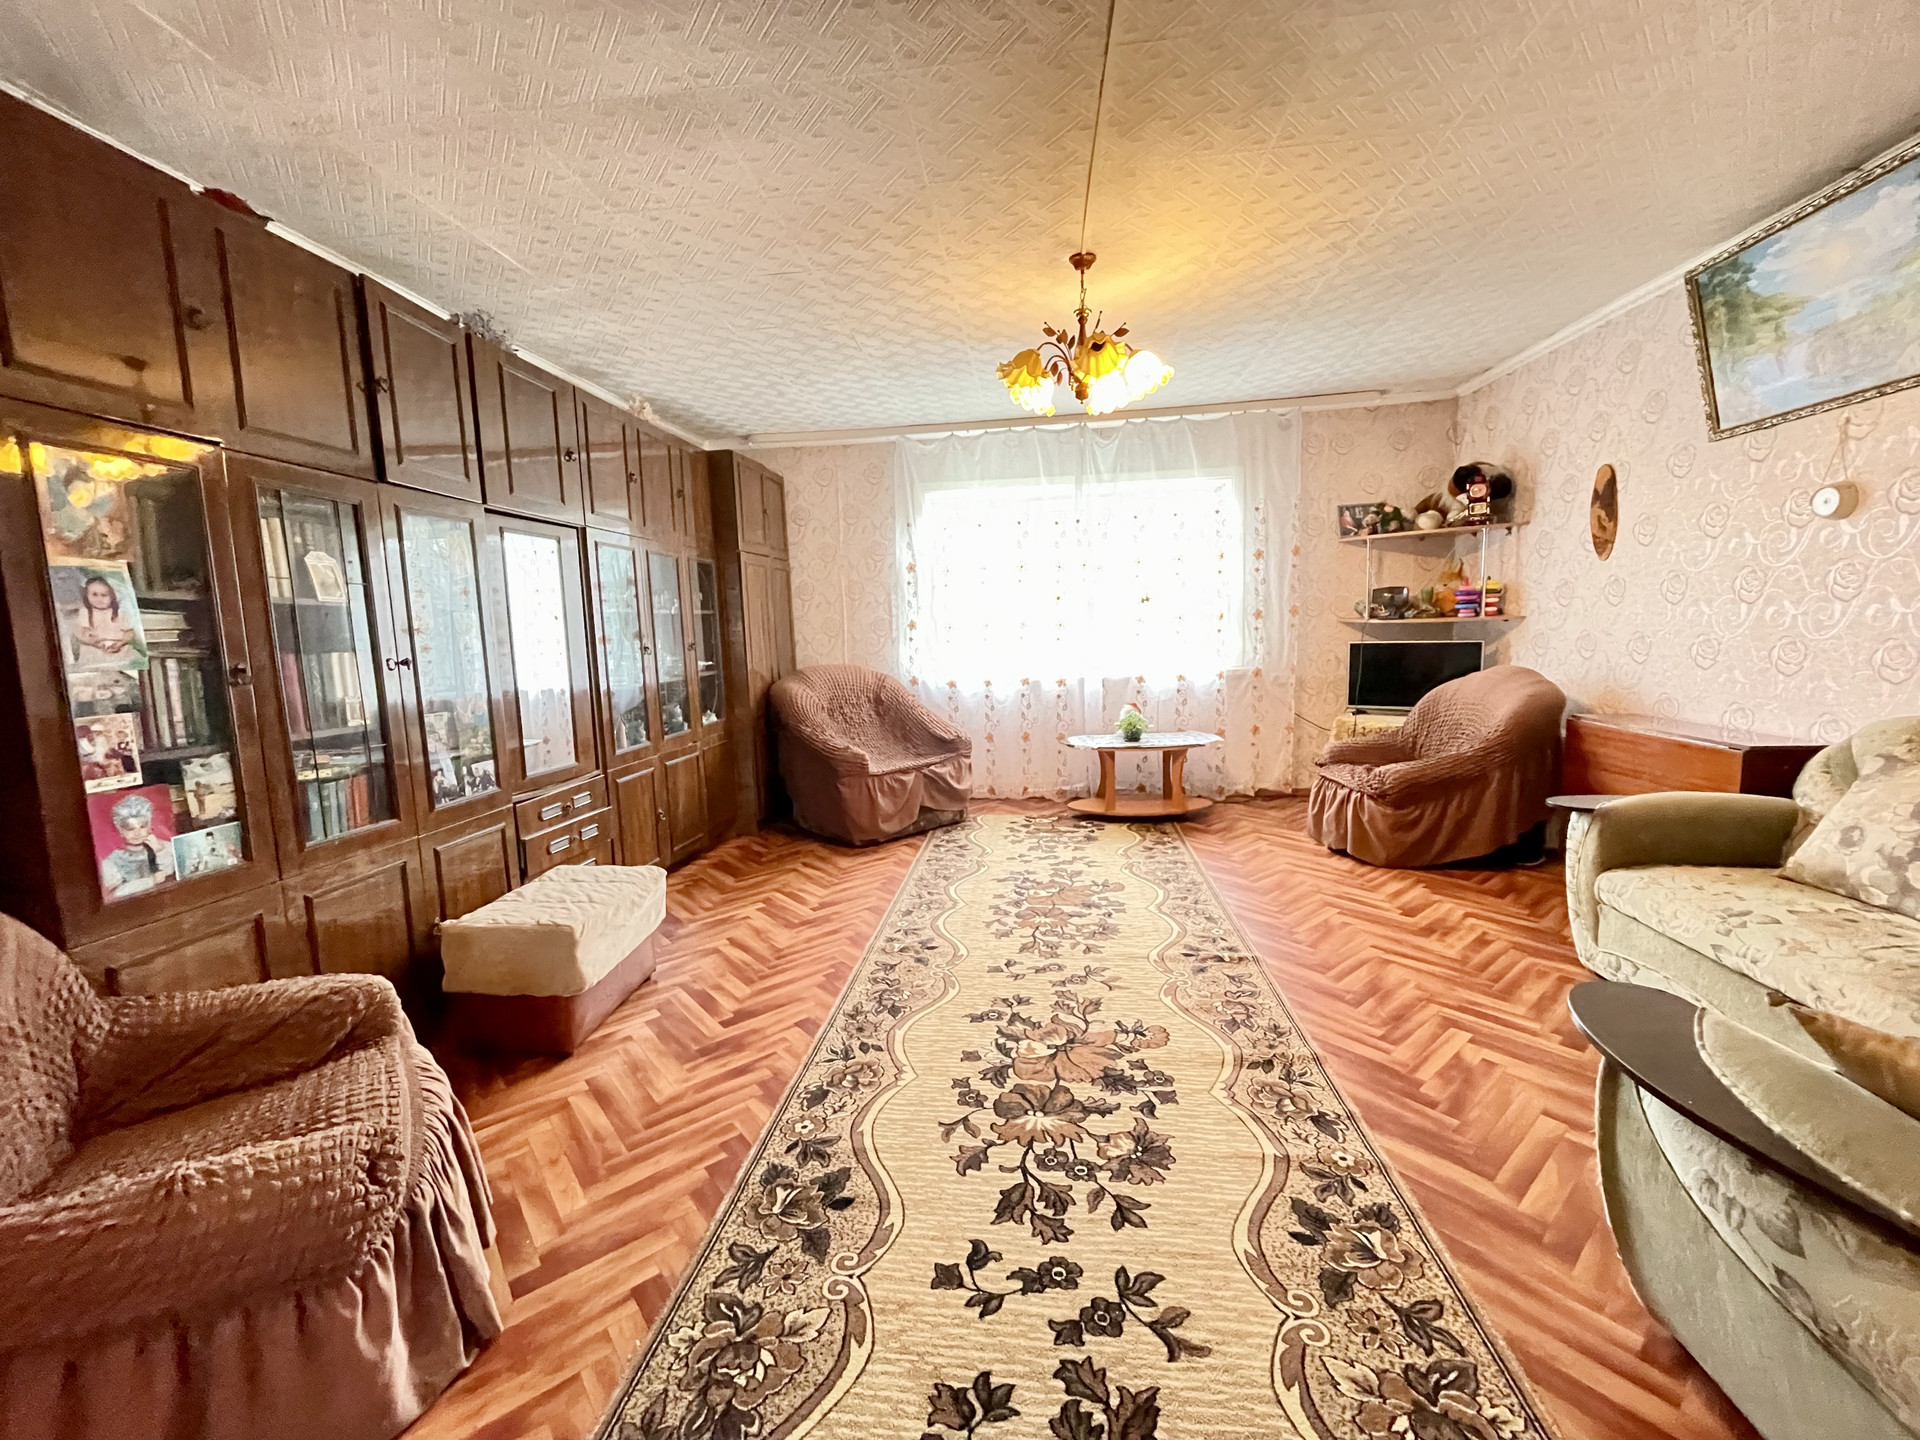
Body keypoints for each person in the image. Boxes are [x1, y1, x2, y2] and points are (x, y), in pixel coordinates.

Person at [99, 792, 175, 897]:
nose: (137, 833)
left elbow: (173, 874)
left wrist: (160, 851)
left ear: (149, 826)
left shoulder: (166, 847)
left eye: (142, 827)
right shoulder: (113, 861)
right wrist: (151, 881)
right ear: (120, 830)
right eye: (130, 829)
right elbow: (117, 894)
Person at [67, 574, 142, 670]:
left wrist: (120, 643)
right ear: (87, 595)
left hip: (119, 649)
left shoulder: (119, 613)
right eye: (94, 595)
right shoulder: (85, 612)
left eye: (104, 595)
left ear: (112, 596)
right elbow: (82, 634)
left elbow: (130, 632)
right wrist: (95, 642)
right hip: (94, 650)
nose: (99, 599)